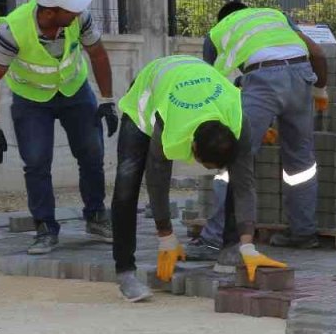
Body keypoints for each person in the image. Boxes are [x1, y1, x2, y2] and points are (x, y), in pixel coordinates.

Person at [110, 55, 285, 302]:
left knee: (239, 177)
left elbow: (245, 184)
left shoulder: (238, 122)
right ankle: (125, 272)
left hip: (194, 82)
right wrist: (166, 236)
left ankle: (234, 248)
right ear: (192, 147)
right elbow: (157, 178)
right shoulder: (170, 126)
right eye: (206, 165)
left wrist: (248, 243)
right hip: (148, 95)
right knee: (126, 186)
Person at [0, 0, 116, 255]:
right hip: (31, 100)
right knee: (36, 162)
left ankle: (96, 216)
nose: (77, 12)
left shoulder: (80, 19)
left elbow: (98, 55)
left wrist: (107, 100)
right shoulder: (12, 31)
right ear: (50, 11)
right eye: (70, 9)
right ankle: (45, 228)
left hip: (74, 92)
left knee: (92, 153)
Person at [191, 2, 330, 257]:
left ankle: (214, 240)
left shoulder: (217, 32)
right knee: (301, 163)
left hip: (264, 79)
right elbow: (318, 54)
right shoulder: (277, 16)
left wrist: (248, 118)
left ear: (222, 20)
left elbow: (213, 87)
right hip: (301, 76)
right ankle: (303, 233)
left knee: (234, 158)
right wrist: (320, 90)